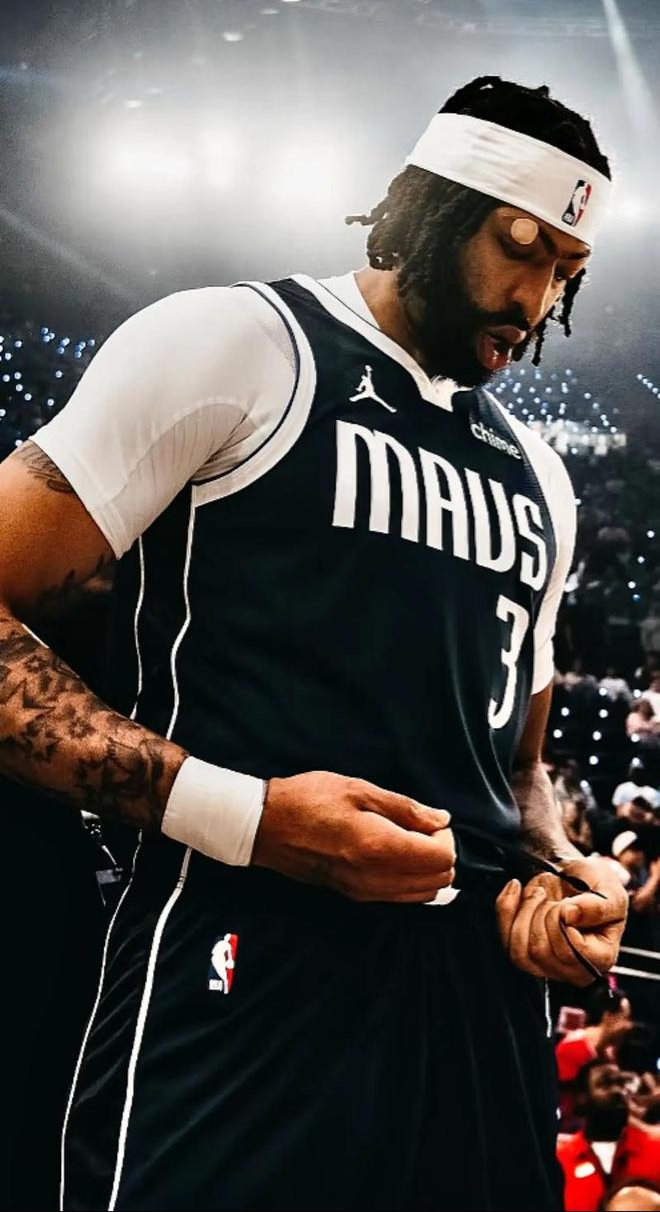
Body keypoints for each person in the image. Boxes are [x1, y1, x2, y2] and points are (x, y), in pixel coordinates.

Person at [0, 75, 629, 1211]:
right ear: (433, 208)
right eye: (519, 246)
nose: (536, 300)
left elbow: (518, 769)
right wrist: (247, 818)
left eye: (567, 272)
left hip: (474, 1010)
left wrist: (562, 877)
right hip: (242, 967)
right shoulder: (236, 344)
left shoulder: (543, 476)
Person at [557, 1060, 660, 1212]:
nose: (618, 1091)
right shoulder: (562, 1161)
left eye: (621, 1083)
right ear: (582, 1097)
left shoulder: (656, 1151)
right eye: (605, 1084)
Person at [556, 988, 633, 1131]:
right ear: (608, 1017)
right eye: (625, 1018)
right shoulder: (572, 1047)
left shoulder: (608, 1053)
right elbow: (565, 1102)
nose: (629, 1026)